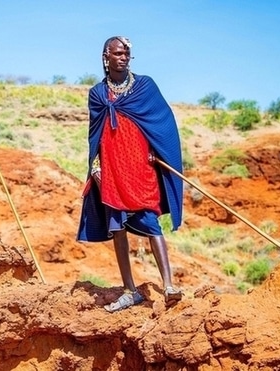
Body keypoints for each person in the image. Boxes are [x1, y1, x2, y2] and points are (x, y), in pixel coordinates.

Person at [77, 36, 184, 312]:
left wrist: (157, 152)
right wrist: (96, 166)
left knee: (151, 223)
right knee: (118, 229)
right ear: (106, 57)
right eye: (118, 53)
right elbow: (95, 135)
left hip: (140, 167)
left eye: (127, 54)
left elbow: (162, 122)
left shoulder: (145, 86)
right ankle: (129, 290)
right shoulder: (98, 94)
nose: (123, 57)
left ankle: (169, 286)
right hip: (112, 169)